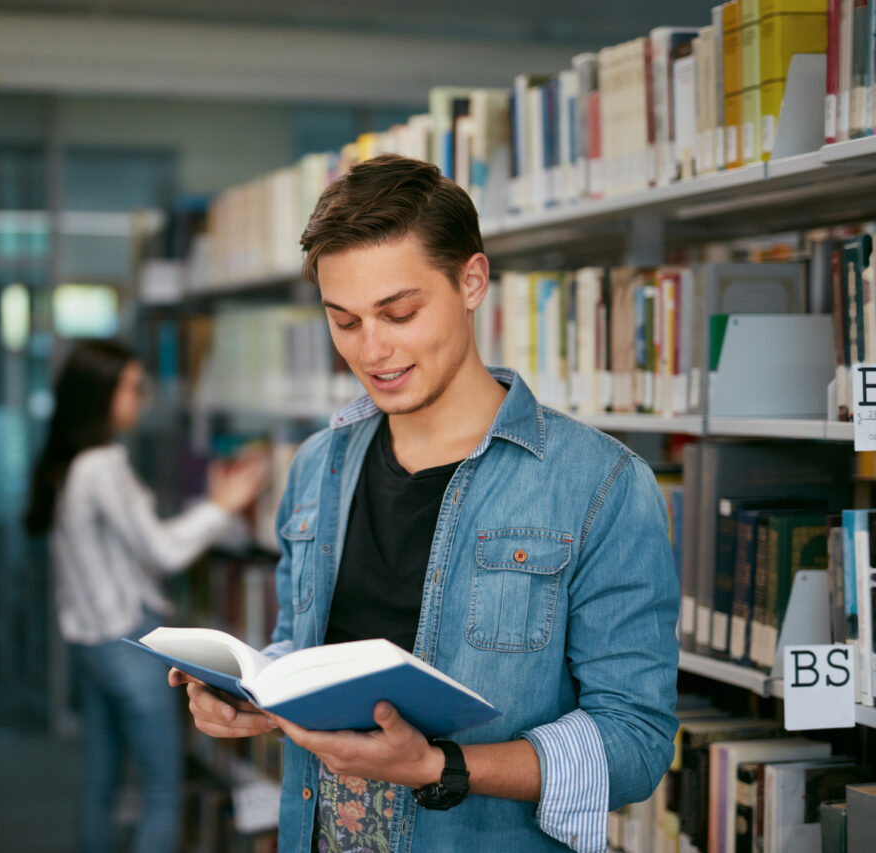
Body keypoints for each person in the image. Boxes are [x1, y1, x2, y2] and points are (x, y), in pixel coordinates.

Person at [170, 154, 679, 853]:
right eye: (343, 321)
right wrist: (256, 692)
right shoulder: (318, 465)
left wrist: (441, 767)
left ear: (472, 281)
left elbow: (636, 741)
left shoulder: (601, 485)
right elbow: (307, 644)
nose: (372, 350)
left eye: (399, 312)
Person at [25, 339, 267, 853]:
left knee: (101, 779)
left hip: (87, 642)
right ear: (102, 394)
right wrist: (223, 505)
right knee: (162, 788)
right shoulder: (102, 465)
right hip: (125, 639)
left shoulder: (66, 461)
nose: (142, 398)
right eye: (133, 387)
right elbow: (162, 552)